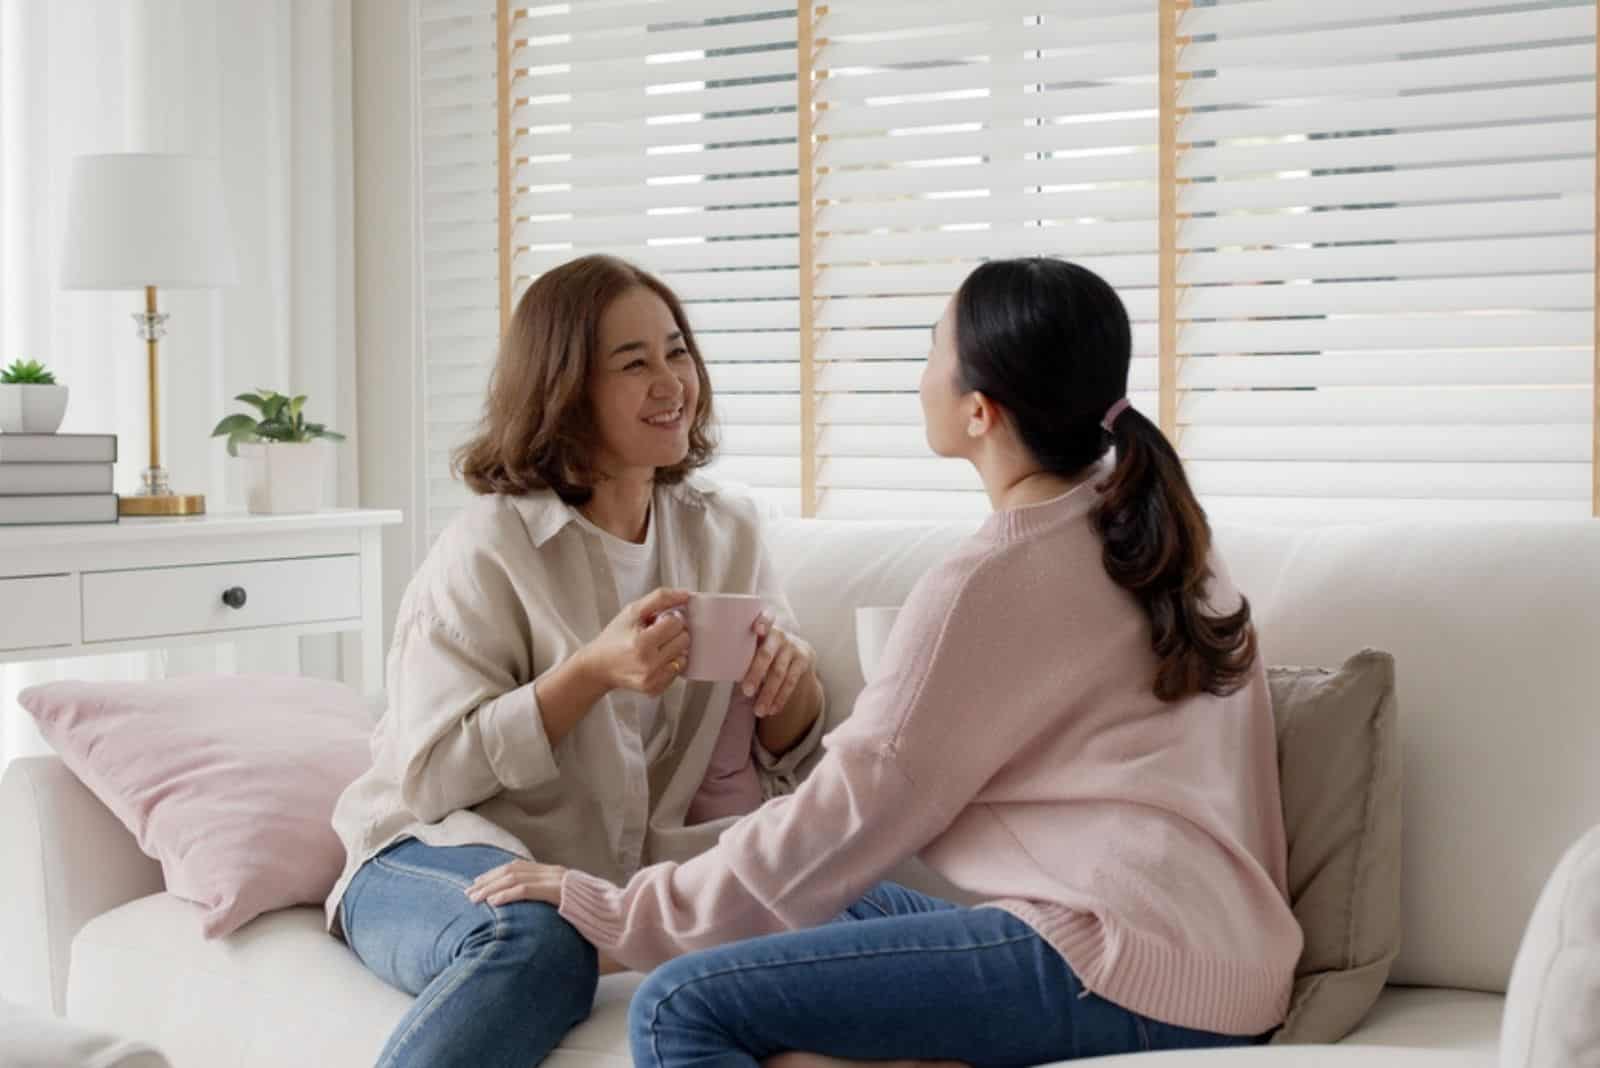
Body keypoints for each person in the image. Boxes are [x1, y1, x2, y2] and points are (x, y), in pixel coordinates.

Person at [465, 257, 1305, 1065]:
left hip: (1117, 964)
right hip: (1234, 963)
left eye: (932, 348)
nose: (919, 374)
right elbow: (832, 857)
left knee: (680, 1004)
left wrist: (619, 914)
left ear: (980, 411)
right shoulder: (1164, 533)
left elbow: (849, 810)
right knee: (830, 904)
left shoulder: (994, 579)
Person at [325, 254, 827, 1068]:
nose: (671, 382)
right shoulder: (490, 545)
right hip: (431, 851)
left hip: (595, 881)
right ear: (564, 391)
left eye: (677, 352)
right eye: (634, 363)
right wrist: (588, 674)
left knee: (826, 901)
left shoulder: (725, 532)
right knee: (540, 942)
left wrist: (789, 680)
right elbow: (429, 778)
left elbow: (790, 751)